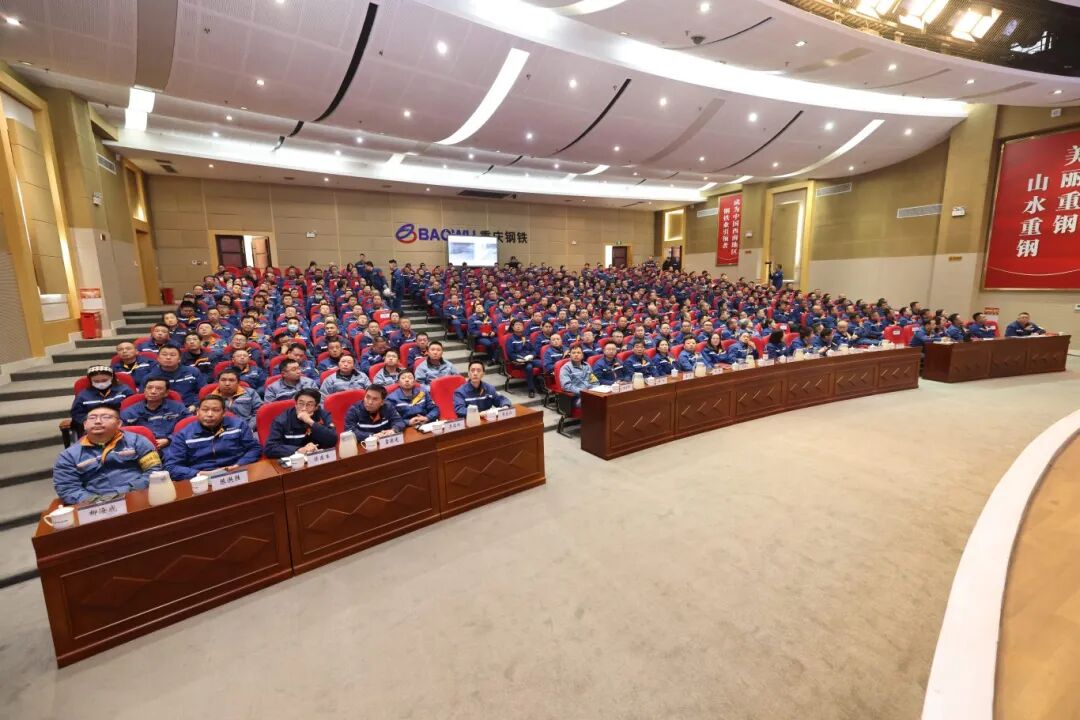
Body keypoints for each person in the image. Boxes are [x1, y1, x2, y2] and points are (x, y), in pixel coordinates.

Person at [53, 406, 163, 505]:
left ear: (119, 423)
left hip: (139, 496)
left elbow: (154, 470)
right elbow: (67, 488)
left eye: (106, 417)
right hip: (95, 506)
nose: (98, 421)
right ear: (85, 425)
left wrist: (130, 492)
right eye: (92, 418)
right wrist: (96, 502)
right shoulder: (68, 456)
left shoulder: (137, 441)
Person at [163, 394, 263, 480]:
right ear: (197, 412)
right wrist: (198, 473)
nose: (210, 414)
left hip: (237, 472)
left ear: (223, 413)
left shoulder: (238, 425)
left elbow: (254, 448)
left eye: (216, 410)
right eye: (205, 410)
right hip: (202, 478)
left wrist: (240, 464)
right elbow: (171, 466)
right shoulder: (184, 434)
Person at [263, 389, 338, 458]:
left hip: (319, 457)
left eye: (309, 404)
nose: (304, 408)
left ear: (316, 407)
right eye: (301, 403)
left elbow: (333, 440)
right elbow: (270, 448)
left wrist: (310, 422)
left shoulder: (323, 415)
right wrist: (299, 450)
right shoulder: (282, 420)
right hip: (294, 460)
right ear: (295, 404)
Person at [120, 377, 189, 448]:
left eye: (158, 388)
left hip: (173, 445)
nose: (153, 391)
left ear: (166, 393)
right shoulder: (130, 412)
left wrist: (170, 439)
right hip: (141, 447)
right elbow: (121, 433)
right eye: (149, 388)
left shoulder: (178, 407)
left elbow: (189, 426)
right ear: (144, 391)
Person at [71, 366, 133, 433]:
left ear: (112, 378)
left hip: (121, 424)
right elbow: (77, 414)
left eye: (104, 380)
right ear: (90, 380)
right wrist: (93, 421)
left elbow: (132, 409)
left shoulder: (124, 390)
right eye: (96, 381)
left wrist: (116, 421)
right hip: (94, 427)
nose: (101, 384)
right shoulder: (83, 395)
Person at [506, 319, 540, 398]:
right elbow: (511, 354)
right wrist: (521, 359)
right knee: (529, 367)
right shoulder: (510, 339)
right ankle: (531, 389)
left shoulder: (526, 338)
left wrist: (532, 356)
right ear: (513, 327)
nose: (518, 326)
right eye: (516, 325)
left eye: (520, 325)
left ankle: (542, 385)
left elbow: (534, 350)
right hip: (519, 362)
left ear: (523, 327)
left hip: (530, 360)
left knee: (543, 363)